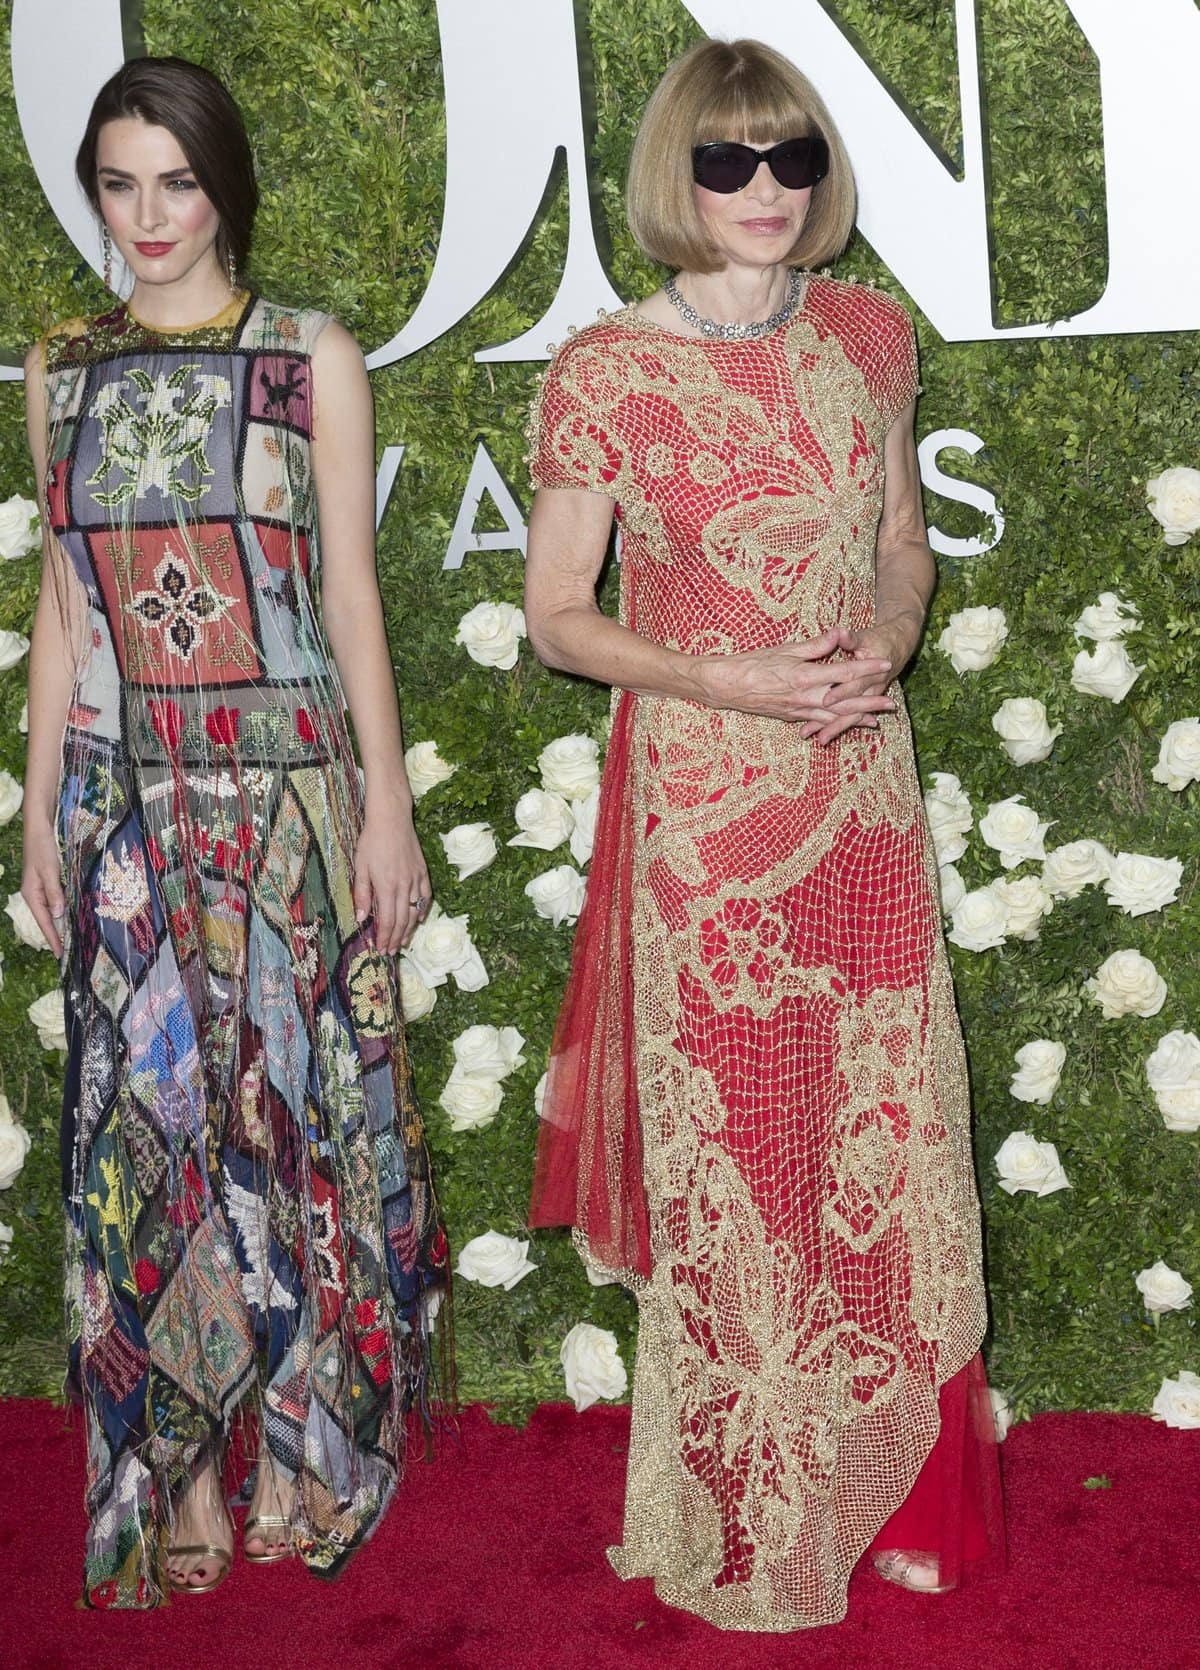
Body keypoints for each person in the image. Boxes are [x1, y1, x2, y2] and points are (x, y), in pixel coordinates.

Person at [526, 37, 1003, 1631]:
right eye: (727, 162)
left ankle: (907, 1496)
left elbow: (900, 550)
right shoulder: (607, 370)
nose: (766, 191)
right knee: (741, 1156)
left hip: (857, 792)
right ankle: (751, 1513)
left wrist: (887, 635)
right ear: (680, 173)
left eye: (792, 157)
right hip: (707, 825)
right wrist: (720, 672)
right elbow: (558, 620)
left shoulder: (869, 335)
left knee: (881, 1131)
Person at [22, 55, 448, 1607]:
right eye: (119, 184)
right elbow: (66, 597)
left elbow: (348, 595)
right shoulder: (57, 369)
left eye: (176, 184)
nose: (147, 218)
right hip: (129, 803)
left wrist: (383, 805)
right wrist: (38, 815)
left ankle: (300, 1437)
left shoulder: (304, 357)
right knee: (148, 1140)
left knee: (293, 1127)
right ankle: (179, 1464)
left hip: (282, 795)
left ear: (226, 192)